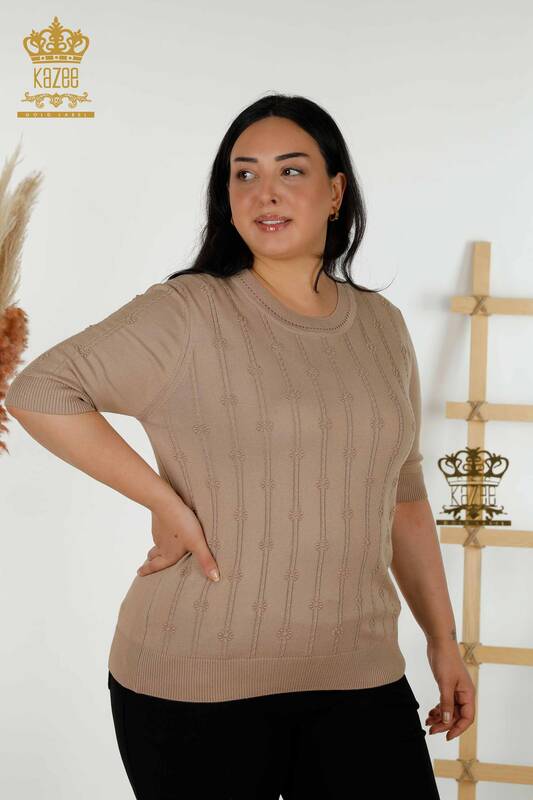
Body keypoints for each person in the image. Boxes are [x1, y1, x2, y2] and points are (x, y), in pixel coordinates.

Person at [5, 93, 475, 799]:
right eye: (244, 174)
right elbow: (40, 390)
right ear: (225, 198)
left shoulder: (381, 326)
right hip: (194, 683)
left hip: (359, 674)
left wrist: (442, 640)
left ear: (335, 193)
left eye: (291, 171)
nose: (264, 193)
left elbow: (403, 493)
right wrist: (165, 502)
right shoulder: (187, 311)